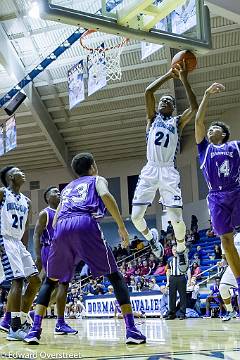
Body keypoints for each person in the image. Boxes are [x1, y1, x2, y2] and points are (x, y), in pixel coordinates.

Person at [25, 153, 146, 345]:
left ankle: (34, 330)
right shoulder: (96, 179)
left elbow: (55, 220)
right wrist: (121, 226)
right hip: (84, 222)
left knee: (50, 281)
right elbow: (106, 195)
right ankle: (131, 330)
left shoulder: (66, 189)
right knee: (115, 276)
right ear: (93, 166)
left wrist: (62, 239)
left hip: (61, 228)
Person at [131, 61, 198, 272]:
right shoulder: (151, 119)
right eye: (162, 100)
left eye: (168, 100)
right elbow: (148, 91)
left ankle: (181, 248)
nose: (164, 101)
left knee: (176, 218)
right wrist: (170, 75)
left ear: (173, 107)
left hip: (168, 170)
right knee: (135, 217)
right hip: (151, 169)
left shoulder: (177, 122)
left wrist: (184, 79)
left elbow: (194, 108)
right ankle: (152, 239)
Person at [195, 82, 240, 302]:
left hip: (237, 191)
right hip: (216, 197)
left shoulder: (236, 146)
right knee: (226, 241)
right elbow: (198, 121)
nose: (211, 129)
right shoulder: (204, 149)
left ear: (223, 133)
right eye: (210, 127)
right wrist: (205, 94)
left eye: (215, 128)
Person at [0, 166, 41, 340]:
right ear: (10, 177)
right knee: (17, 280)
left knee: (35, 281)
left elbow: (25, 229)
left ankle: (21, 318)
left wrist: (24, 249)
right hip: (4, 238)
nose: (23, 172)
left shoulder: (27, 201)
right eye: (18, 171)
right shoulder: (2, 193)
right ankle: (14, 327)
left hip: (18, 244)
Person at [33, 186, 77, 335]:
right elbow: (36, 235)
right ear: (47, 197)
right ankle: (43, 319)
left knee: (63, 286)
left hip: (66, 251)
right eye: (54, 192)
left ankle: (57, 320)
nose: (58, 193)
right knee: (52, 284)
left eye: (59, 191)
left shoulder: (66, 212)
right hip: (50, 249)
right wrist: (38, 256)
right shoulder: (45, 213)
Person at [219, 230, 240, 321]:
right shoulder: (224, 238)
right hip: (232, 267)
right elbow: (224, 258)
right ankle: (230, 311)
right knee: (222, 288)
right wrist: (222, 262)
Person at [165, 246, 191, 320]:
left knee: (183, 296)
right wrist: (167, 281)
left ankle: (182, 313)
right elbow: (168, 271)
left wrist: (189, 280)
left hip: (181, 277)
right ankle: (172, 313)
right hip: (172, 278)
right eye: (173, 250)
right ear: (172, 251)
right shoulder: (169, 259)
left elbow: (188, 269)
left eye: (176, 250)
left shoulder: (183, 258)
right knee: (172, 296)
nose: (175, 251)